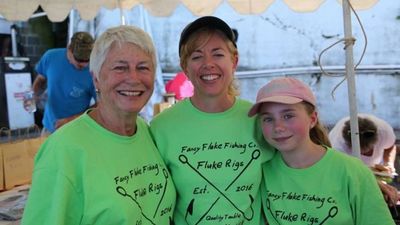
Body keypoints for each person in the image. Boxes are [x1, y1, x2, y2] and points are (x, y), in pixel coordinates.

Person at [21, 25, 176, 225]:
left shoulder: (145, 131)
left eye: (143, 67)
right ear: (96, 78)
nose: (133, 78)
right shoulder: (63, 151)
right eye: (120, 67)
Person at [150, 16, 274, 225]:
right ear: (184, 67)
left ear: (234, 61)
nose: (208, 64)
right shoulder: (161, 127)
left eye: (218, 54)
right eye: (197, 57)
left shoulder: (258, 119)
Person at [248, 77, 394, 225]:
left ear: (312, 119)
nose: (278, 127)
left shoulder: (353, 171)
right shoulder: (260, 172)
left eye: (288, 116)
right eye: (268, 119)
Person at [29, 31, 97, 135]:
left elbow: (100, 105)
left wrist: (70, 120)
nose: (84, 66)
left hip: (78, 130)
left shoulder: (94, 71)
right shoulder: (50, 57)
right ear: (69, 50)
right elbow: (40, 78)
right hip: (49, 128)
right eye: (79, 62)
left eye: (87, 61)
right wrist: (33, 94)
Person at [329, 114, 398, 206]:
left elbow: (390, 146)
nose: (366, 155)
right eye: (362, 152)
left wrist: (388, 162)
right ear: (349, 145)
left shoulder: (384, 131)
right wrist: (378, 185)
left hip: (375, 172)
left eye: (369, 150)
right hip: (349, 171)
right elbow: (346, 173)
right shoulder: (338, 146)